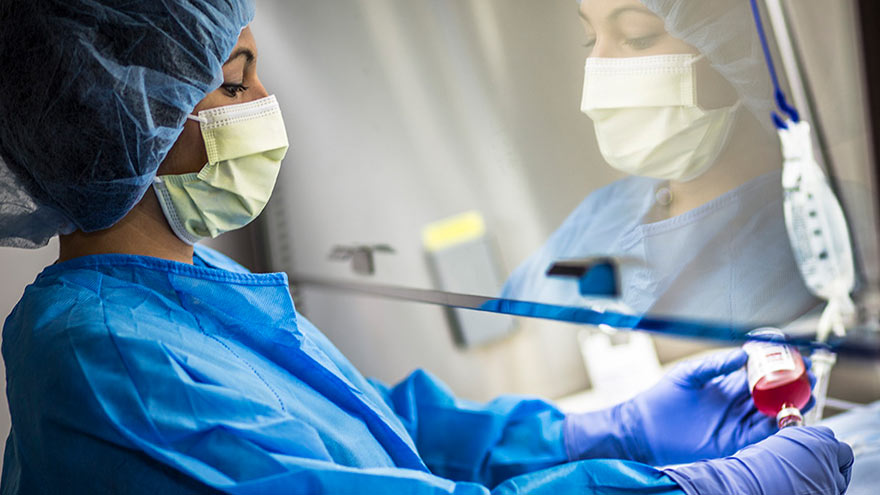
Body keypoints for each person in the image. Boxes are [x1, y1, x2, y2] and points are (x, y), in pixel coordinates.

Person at [0, 1, 852, 494]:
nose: (264, 99)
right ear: (127, 121)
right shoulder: (107, 362)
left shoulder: (193, 285)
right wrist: (690, 489)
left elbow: (383, 429)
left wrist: (598, 434)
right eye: (233, 79)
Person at [502, 0, 819, 329]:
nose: (596, 67)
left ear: (736, 47)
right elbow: (520, 322)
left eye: (637, 38)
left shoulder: (797, 248)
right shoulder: (608, 211)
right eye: (590, 38)